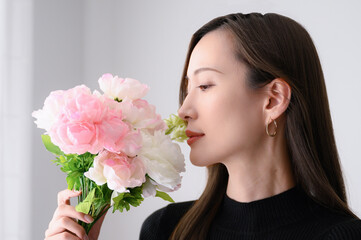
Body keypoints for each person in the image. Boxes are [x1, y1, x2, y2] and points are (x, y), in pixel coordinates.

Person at [44, 13, 361, 240]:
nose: (183, 111)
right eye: (187, 88)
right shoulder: (166, 229)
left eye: (206, 86)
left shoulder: (341, 235)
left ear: (273, 100)